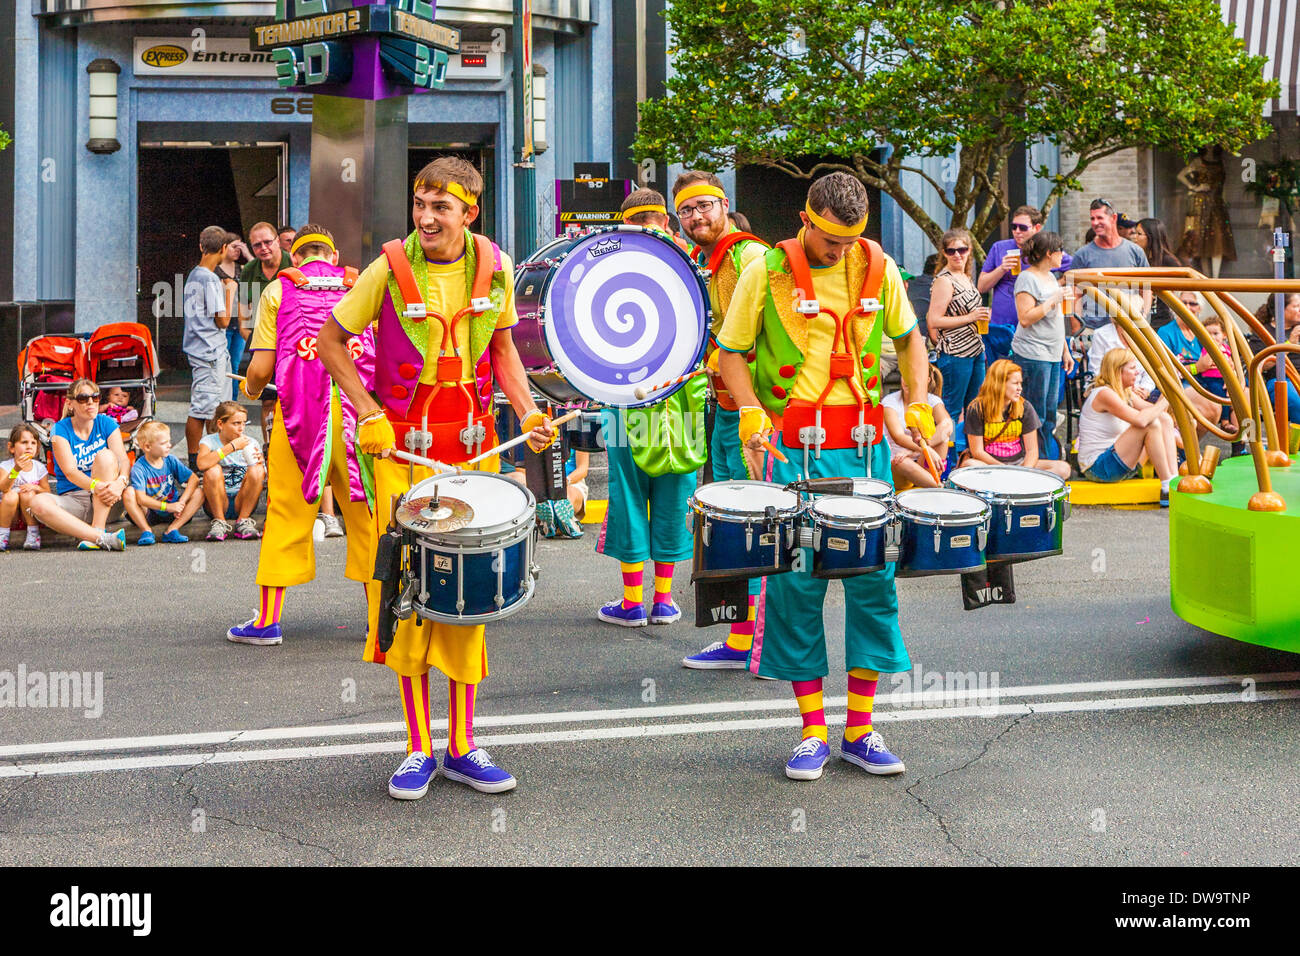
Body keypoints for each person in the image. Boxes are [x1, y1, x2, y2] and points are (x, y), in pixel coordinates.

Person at [319, 156, 557, 799]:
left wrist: (532, 413)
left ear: (469, 212)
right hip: (405, 462)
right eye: (419, 205)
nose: (425, 218)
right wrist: (368, 414)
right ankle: (418, 748)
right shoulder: (388, 268)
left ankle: (463, 747)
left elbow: (504, 350)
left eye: (439, 208)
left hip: (474, 457)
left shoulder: (496, 267)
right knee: (411, 600)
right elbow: (329, 342)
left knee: (467, 601)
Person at [718, 171, 929, 780]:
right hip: (792, 453)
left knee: (872, 583)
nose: (840, 254)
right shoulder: (765, 271)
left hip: (863, 452)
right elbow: (731, 351)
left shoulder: (877, 268)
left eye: (849, 242)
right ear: (806, 220)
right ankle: (812, 730)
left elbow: (911, 340)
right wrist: (752, 410)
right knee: (796, 588)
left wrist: (914, 400)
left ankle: (860, 729)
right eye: (831, 242)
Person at [226, 224, 378, 646]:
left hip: (301, 424)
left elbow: (259, 369)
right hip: (359, 421)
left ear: (296, 257)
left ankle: (268, 622)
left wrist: (251, 390)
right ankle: (377, 622)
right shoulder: (359, 285)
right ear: (333, 255)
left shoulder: (279, 291)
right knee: (368, 518)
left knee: (286, 514)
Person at [670, 171, 771, 668]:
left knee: (756, 520)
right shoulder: (713, 261)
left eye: (703, 206)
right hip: (729, 408)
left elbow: (773, 332)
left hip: (753, 412)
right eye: (686, 210)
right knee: (734, 520)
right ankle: (742, 639)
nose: (695, 217)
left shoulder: (748, 256)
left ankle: (758, 643)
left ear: (724, 204)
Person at [595, 188, 704, 628]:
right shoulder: (691, 262)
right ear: (667, 222)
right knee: (675, 494)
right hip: (684, 401)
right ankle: (662, 600)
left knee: (628, 492)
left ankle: (632, 602)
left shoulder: (607, 264)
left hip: (625, 400)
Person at [26, 379, 129, 550]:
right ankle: (100, 537)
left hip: (109, 499)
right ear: (70, 403)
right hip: (75, 500)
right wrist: (96, 486)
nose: (90, 402)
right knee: (37, 502)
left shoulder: (107, 423)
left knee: (105, 456)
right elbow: (70, 472)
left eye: (95, 397)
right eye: (83, 398)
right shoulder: (60, 429)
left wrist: (121, 482)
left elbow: (123, 460)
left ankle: (98, 529)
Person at [1077, 348, 1178, 504]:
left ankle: (1173, 480)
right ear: (1118, 371)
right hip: (1097, 468)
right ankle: (1166, 488)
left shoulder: (1125, 392)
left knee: (1163, 419)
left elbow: (1155, 413)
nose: (1137, 373)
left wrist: (1168, 390)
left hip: (1117, 461)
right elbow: (1142, 421)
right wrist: (1166, 399)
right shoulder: (1104, 393)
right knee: (1150, 425)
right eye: (1132, 368)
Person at [978, 205, 1072, 364]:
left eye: (1022, 227)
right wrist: (1001, 269)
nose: (1017, 231)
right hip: (1003, 327)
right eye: (1014, 227)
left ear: (1037, 228)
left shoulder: (1046, 252)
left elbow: (1073, 269)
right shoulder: (1000, 248)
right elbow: (981, 286)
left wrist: (1058, 284)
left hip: (1036, 332)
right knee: (1003, 381)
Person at [1012, 230, 1075, 458]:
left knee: (1050, 412)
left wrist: (1065, 351)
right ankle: (1033, 460)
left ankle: (1048, 459)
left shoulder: (1050, 277)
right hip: (1032, 354)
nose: (1063, 255)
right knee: (1034, 412)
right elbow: (1025, 318)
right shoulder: (1026, 278)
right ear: (1049, 253)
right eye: (1060, 251)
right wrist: (1053, 300)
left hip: (1052, 353)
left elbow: (1057, 320)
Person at [961, 360, 1071, 479]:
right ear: (1000, 383)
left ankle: (1021, 485)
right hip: (990, 466)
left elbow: (1032, 451)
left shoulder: (1025, 407)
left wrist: (1025, 472)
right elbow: (977, 451)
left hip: (1019, 464)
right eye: (1015, 383)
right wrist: (1004, 469)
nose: (1020, 388)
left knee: (1063, 468)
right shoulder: (977, 408)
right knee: (969, 465)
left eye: (1020, 383)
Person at [183, 226, 234, 472]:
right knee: (204, 408)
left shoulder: (195, 274)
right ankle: (196, 461)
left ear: (201, 246)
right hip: (209, 351)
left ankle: (207, 455)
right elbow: (222, 320)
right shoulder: (210, 279)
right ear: (223, 249)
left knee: (211, 406)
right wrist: (230, 292)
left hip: (201, 348)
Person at [928, 228, 989, 429]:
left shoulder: (966, 277)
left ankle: (968, 454)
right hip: (955, 353)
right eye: (951, 251)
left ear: (969, 250)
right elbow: (934, 320)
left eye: (962, 250)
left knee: (975, 409)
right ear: (944, 253)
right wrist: (971, 317)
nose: (957, 255)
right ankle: (948, 457)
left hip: (975, 349)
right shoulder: (944, 280)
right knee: (951, 411)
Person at [239, 222, 294, 439]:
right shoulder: (250, 271)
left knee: (291, 398)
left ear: (277, 241)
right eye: (257, 245)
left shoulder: (294, 264)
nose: (264, 248)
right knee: (268, 398)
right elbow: (244, 310)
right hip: (264, 341)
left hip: (292, 341)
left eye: (268, 242)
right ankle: (268, 445)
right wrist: (249, 335)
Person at [1069, 199, 1151, 330]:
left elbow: (1146, 288)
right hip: (1092, 329)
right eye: (1092, 219)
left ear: (1113, 218)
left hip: (1128, 328)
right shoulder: (1082, 254)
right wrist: (1077, 328)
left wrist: (1144, 316)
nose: (1095, 223)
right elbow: (1073, 295)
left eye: (1100, 218)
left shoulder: (1135, 251)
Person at [123, 420, 202, 545]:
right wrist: (167, 507)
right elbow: (141, 499)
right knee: (129, 492)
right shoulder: (139, 468)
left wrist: (181, 503)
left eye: (169, 441)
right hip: (150, 512)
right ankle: (146, 531)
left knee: (199, 493)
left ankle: (173, 529)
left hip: (175, 511)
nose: (169, 445)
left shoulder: (170, 460)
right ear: (148, 447)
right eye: (164, 443)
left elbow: (194, 479)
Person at [196, 401, 264, 541]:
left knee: (257, 469)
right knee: (212, 469)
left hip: (243, 500)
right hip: (218, 500)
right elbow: (201, 464)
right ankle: (219, 521)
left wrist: (261, 462)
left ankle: (244, 520)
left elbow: (261, 475)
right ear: (221, 424)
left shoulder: (251, 442)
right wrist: (231, 447)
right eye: (236, 423)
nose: (241, 428)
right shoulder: (208, 441)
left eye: (244, 423)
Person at [882, 365, 951, 489]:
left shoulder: (932, 400)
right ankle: (940, 488)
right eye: (906, 376)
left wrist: (916, 450)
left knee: (943, 437)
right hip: (898, 465)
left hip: (922, 461)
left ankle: (935, 485)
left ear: (928, 380)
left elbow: (947, 426)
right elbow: (898, 437)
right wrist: (926, 449)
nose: (909, 381)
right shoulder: (890, 401)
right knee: (902, 461)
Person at [1176, 146, 1236, 278]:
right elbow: (1181, 175)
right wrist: (1194, 187)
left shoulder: (1220, 161)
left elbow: (1222, 184)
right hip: (1202, 202)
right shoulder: (1198, 162)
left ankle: (1215, 276)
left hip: (1216, 202)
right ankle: (1207, 276)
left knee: (1217, 239)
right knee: (1201, 239)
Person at [0, 424, 50, 550]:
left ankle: (33, 534)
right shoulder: (5, 466)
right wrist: (16, 469)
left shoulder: (39, 468)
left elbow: (47, 491)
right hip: (10, 514)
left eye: (33, 443)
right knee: (10, 495)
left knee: (28, 494)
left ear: (37, 448)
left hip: (29, 513)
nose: (29, 446)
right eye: (24, 442)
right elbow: (4, 488)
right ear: (11, 448)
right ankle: (3, 535)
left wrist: (35, 488)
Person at [1130, 218, 1184, 328]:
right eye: (1135, 233)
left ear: (1151, 237)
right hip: (1140, 316)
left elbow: (1181, 289)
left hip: (1161, 320)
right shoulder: (1137, 259)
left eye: (1139, 234)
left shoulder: (1168, 261)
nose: (1135, 238)